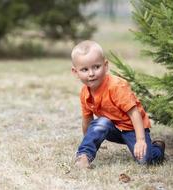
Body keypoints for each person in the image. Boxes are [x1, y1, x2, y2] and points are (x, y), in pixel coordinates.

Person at [71, 40, 165, 169]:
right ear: (75, 72)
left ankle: (157, 147)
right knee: (101, 122)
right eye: (85, 69)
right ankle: (84, 157)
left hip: (132, 128)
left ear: (105, 65)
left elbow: (134, 113)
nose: (91, 73)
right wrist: (89, 142)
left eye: (96, 67)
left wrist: (141, 140)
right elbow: (87, 120)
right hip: (112, 127)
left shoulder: (116, 86)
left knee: (145, 161)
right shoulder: (85, 92)